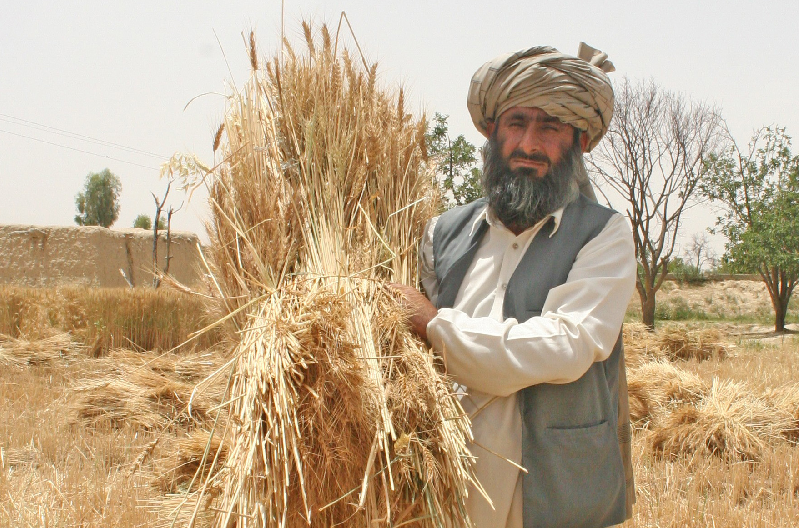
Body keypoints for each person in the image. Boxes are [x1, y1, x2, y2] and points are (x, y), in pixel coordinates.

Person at [394, 44, 637, 528]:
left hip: (556, 493)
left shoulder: (605, 233)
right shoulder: (442, 233)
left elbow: (567, 344)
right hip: (452, 488)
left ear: (580, 142)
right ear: (490, 132)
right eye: (516, 123)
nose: (529, 143)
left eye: (550, 127)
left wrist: (435, 325)